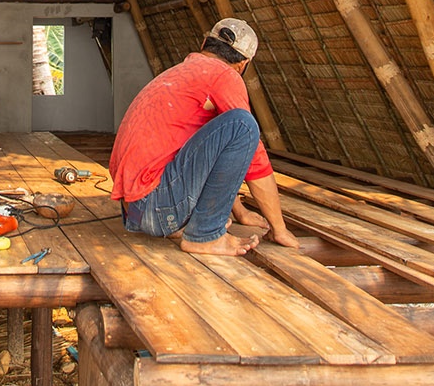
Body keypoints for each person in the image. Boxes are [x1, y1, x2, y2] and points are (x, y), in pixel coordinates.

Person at [109, 18, 300, 257]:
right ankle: (204, 236)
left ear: (204, 44)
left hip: (136, 213)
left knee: (229, 129)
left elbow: (213, 159)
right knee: (243, 125)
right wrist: (279, 228)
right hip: (157, 207)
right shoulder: (224, 76)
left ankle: (190, 226)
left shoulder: (181, 74)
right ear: (243, 64)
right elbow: (255, 160)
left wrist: (240, 213)